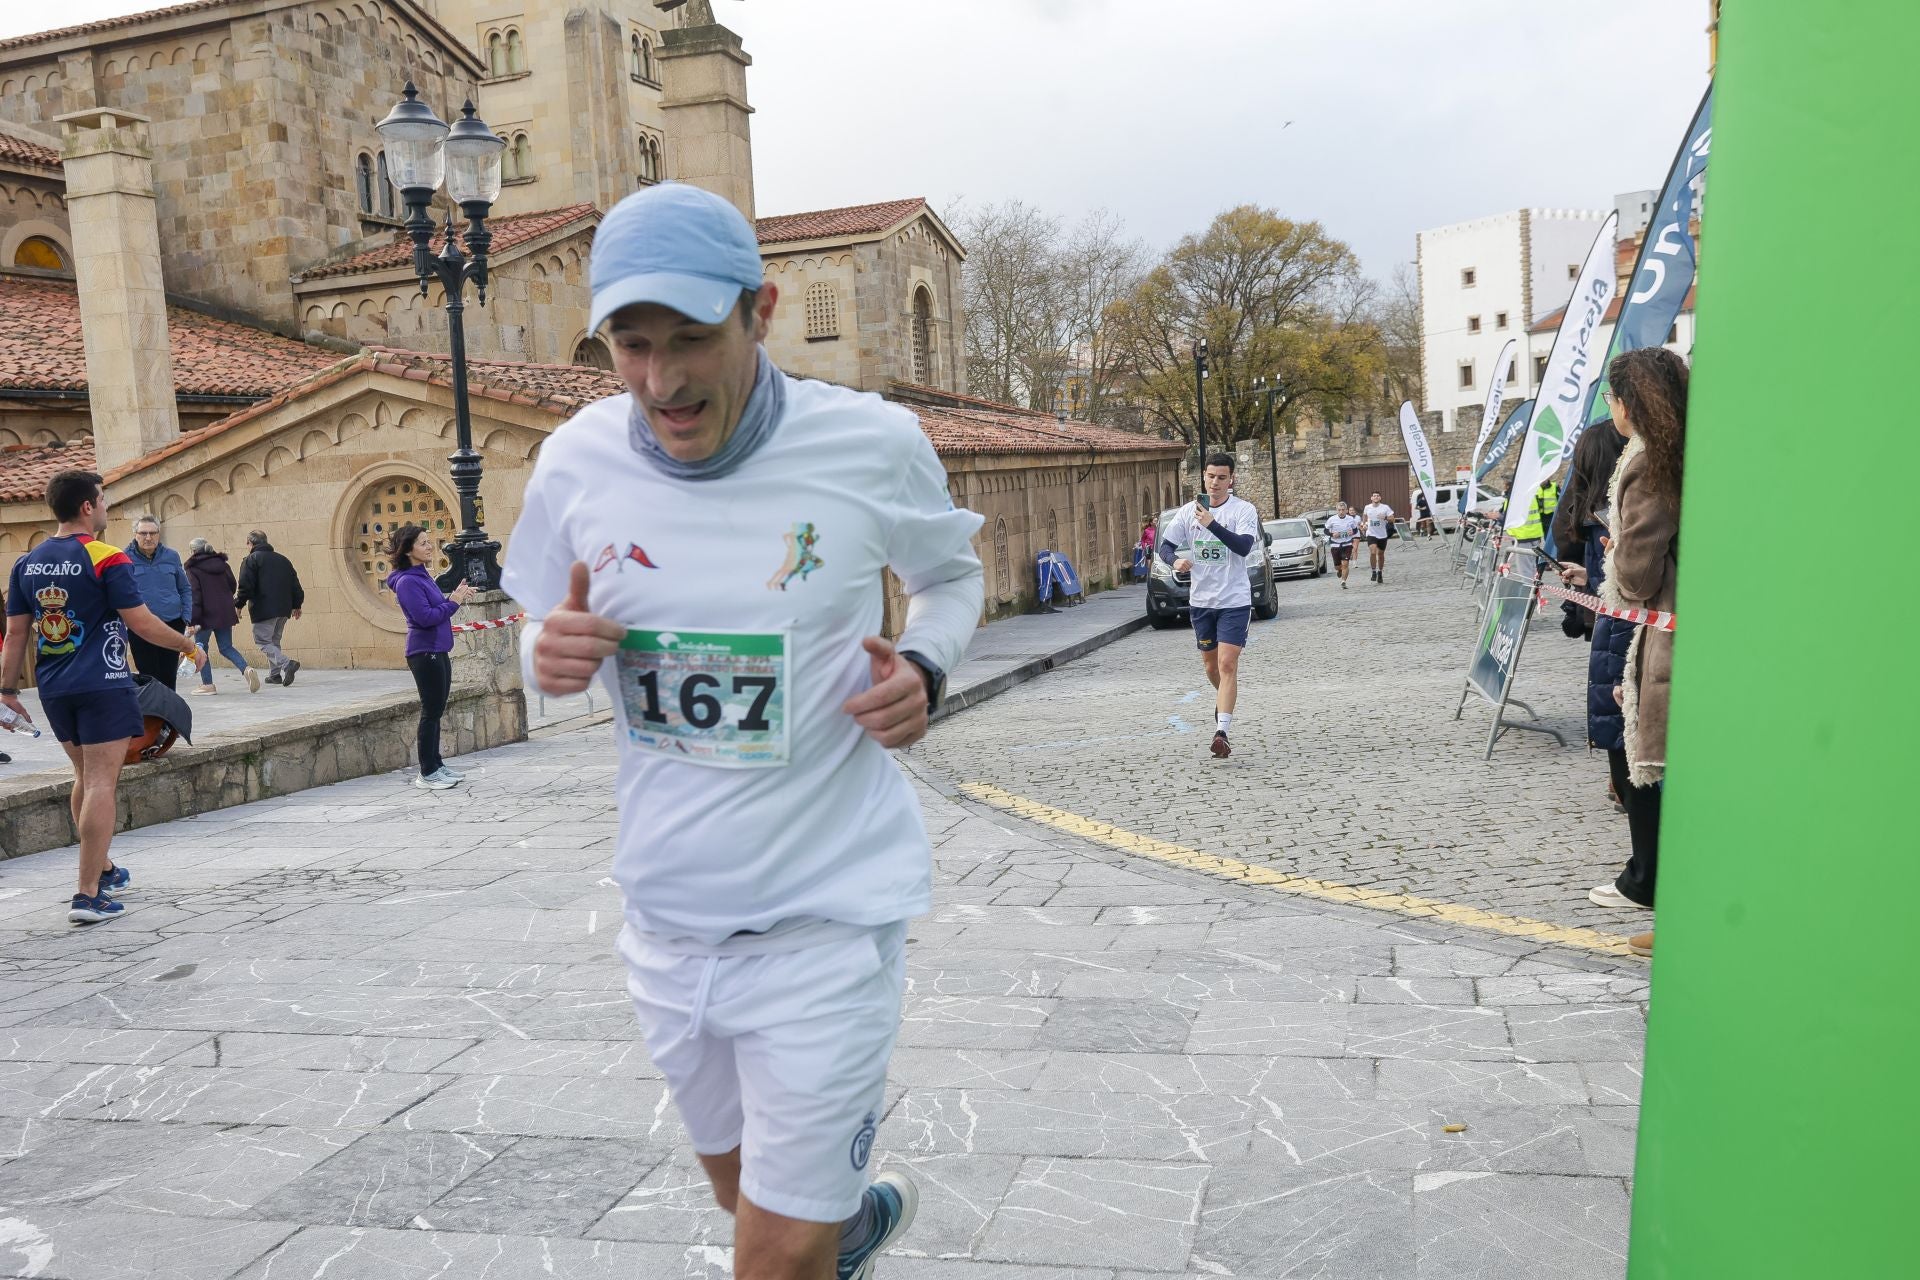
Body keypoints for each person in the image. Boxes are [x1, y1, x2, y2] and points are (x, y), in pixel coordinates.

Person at [503, 182, 984, 1280]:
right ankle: (847, 1223)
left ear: (760, 311)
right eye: (631, 345)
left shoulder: (869, 444)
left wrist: (924, 665)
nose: (661, 382)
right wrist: (548, 654)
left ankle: (819, 1231)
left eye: (689, 340)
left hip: (826, 927)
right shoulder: (577, 459)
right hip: (668, 930)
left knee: (768, 1261)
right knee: (745, 1199)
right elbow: (534, 623)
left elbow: (953, 576)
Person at [1, 471, 202, 924]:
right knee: (99, 784)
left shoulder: (26, 563)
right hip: (104, 682)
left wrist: (8, 691)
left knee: (83, 776)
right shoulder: (106, 557)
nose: (107, 509)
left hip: (55, 688)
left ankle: (105, 869)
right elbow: (141, 622)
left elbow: (15, 634)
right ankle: (87, 895)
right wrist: (189, 645)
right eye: (104, 501)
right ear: (88, 507)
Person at [1575, 349, 1687, 962]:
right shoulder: (1675, 450)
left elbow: (1639, 574)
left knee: (1658, 769)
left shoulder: (1645, 462)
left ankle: (1672, 909)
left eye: (1614, 398)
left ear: (1630, 402)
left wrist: (1614, 552)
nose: (1611, 410)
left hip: (1665, 628)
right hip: (1672, 621)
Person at [1158, 453, 1261, 759]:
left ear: (1232, 480)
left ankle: (1222, 731)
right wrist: (1175, 560)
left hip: (1234, 600)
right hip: (1202, 601)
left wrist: (1212, 524)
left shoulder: (1244, 510)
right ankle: (1224, 699)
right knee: (1211, 666)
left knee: (1228, 664)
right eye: (1211, 476)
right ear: (1203, 476)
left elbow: (1243, 546)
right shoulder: (1188, 512)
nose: (1215, 483)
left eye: (1222, 478)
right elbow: (1164, 546)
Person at [386, 525, 476, 790]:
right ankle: (426, 773)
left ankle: (436, 765)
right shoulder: (407, 582)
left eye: (429, 542)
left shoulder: (421, 575)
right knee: (431, 711)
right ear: (408, 549)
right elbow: (425, 618)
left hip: (438, 650)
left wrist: (453, 597)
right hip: (424, 653)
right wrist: (455, 602)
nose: (429, 547)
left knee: (437, 710)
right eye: (423, 543)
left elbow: (436, 608)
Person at [124, 514, 193, 691]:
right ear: (135, 534)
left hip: (171, 623)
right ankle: (153, 716)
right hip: (141, 627)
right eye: (143, 533)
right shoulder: (123, 559)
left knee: (169, 675)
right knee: (149, 676)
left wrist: (185, 617)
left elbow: (185, 588)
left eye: (153, 533)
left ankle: (169, 717)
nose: (148, 537)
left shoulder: (171, 556)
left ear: (158, 534)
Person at [184, 536, 260, 695]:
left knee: (201, 648)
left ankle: (208, 685)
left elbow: (195, 595)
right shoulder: (222, 564)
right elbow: (232, 586)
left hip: (205, 615)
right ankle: (246, 669)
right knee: (226, 647)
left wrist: (192, 619)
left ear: (192, 551)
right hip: (225, 612)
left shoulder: (192, 568)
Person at [234, 529, 304, 686]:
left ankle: (287, 664)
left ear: (250, 543)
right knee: (274, 641)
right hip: (283, 609)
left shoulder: (251, 560)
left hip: (263, 609)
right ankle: (275, 675)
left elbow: (245, 586)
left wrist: (238, 604)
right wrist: (297, 604)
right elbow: (295, 584)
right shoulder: (283, 560)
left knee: (263, 641)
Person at [1324, 501, 1361, 589]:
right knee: (1337, 566)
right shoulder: (1332, 519)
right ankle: (1339, 570)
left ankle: (1343, 581)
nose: (1341, 511)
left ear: (1346, 510)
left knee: (1345, 564)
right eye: (1339, 510)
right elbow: (1325, 531)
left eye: (1343, 510)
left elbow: (1355, 530)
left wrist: (1352, 532)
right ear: (1337, 510)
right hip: (1335, 545)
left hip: (1347, 544)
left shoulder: (1350, 519)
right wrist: (1332, 534)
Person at [1360, 491, 1395, 583]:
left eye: (1377, 496)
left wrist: (1385, 518)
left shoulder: (1385, 507)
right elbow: (1364, 516)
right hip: (1371, 533)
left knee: (1380, 554)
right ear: (1371, 498)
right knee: (1373, 551)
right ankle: (1373, 571)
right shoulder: (1367, 507)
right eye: (1374, 496)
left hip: (1382, 534)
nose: (1376, 497)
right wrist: (1363, 525)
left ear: (1380, 498)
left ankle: (1380, 572)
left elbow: (1392, 519)